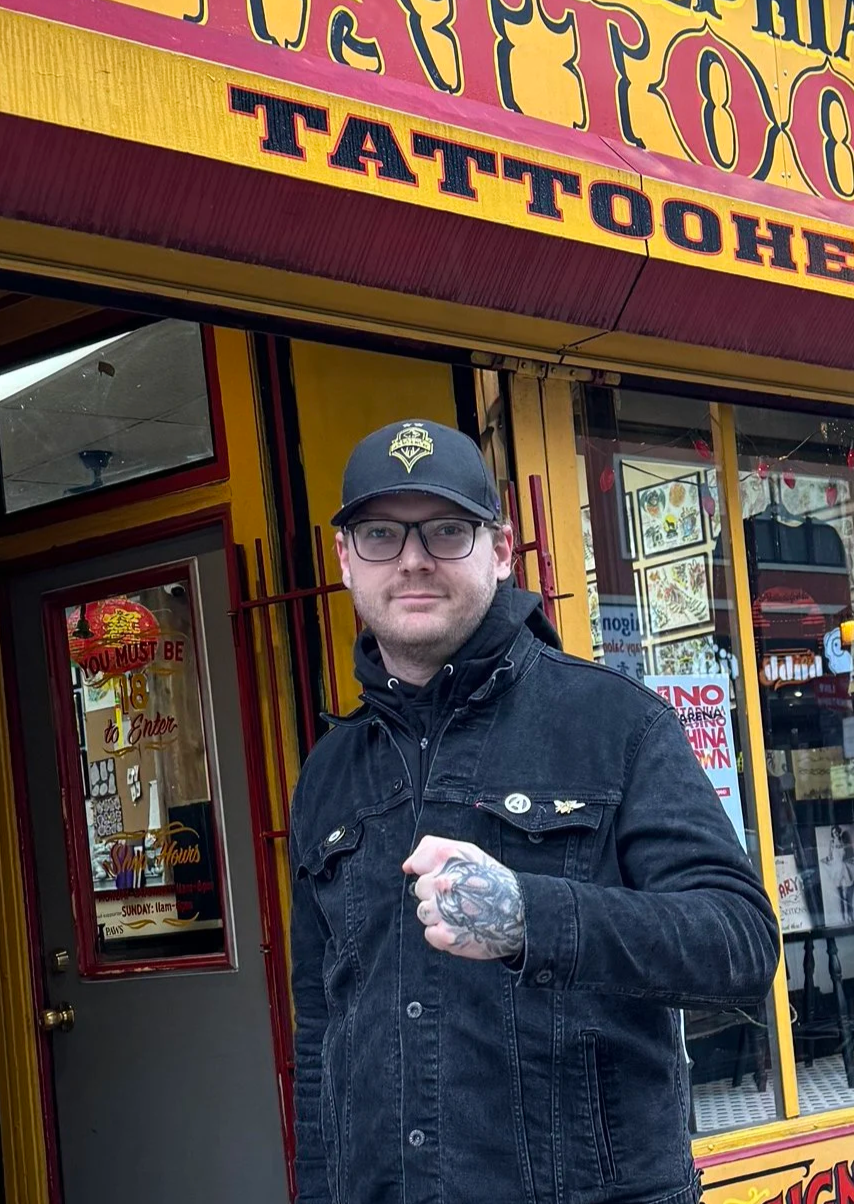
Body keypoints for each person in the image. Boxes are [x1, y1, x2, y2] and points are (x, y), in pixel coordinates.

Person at [287, 419, 779, 1204]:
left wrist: (531, 919)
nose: (413, 558)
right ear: (346, 558)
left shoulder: (613, 724)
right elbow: (321, 1029)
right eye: (381, 533)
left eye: (446, 530)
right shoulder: (327, 775)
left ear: (501, 548)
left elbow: (740, 945)